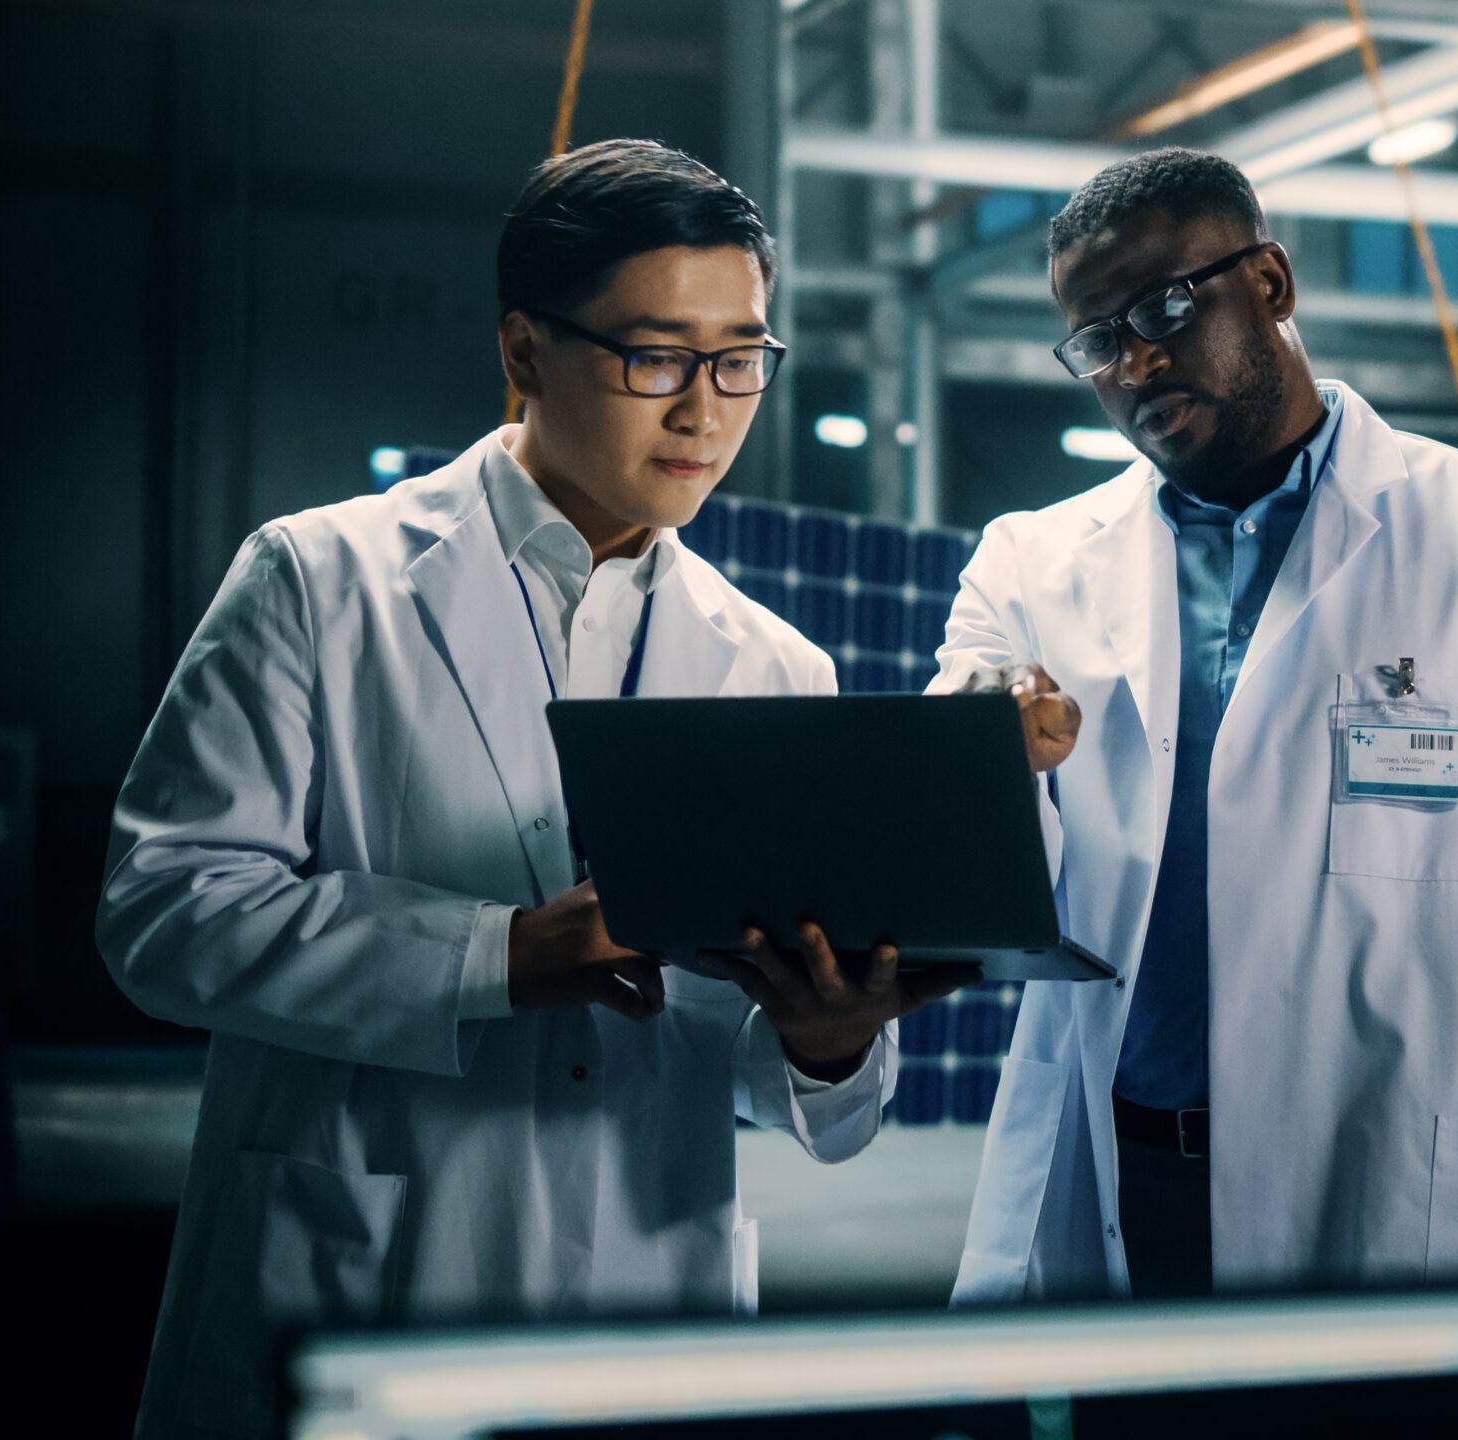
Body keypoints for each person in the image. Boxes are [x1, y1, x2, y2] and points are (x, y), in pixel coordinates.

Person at [98, 139, 1057, 1438]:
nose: (703, 411)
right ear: (523, 351)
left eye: (740, 363)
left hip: (644, 1299)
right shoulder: (322, 583)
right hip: (373, 1273)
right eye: (655, 358)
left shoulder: (776, 664)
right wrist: (490, 956)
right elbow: (163, 914)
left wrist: (829, 1041)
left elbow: (776, 1076)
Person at [939, 148, 1458, 1303]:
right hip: (1126, 1189)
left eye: (1163, 309)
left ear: (1271, 286)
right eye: (1096, 340)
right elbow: (965, 881)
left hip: (1390, 1207)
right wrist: (973, 759)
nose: (1134, 361)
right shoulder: (1030, 563)